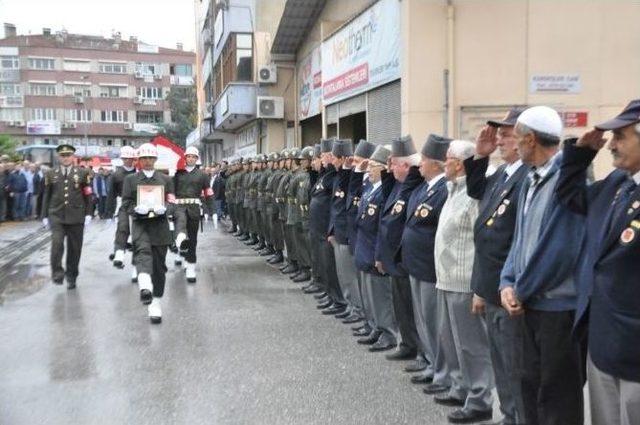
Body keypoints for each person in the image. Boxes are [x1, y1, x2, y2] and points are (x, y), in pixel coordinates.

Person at [500, 106, 585, 425]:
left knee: (557, 398)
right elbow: (519, 240)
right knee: (529, 388)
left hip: (557, 311)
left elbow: (559, 251)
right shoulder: (530, 179)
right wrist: (506, 282)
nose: (513, 144)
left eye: (517, 138)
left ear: (531, 139)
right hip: (527, 304)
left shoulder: (567, 180)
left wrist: (519, 290)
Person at [556, 100, 640, 425]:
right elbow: (569, 196)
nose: (612, 145)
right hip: (603, 341)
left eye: (620, 136)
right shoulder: (618, 186)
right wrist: (580, 156)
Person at [464, 108, 528, 425]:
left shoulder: (528, 176)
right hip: (491, 284)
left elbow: (514, 239)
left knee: (515, 363)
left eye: (506, 133)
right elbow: (476, 190)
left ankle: (519, 416)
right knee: (501, 360)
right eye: (499, 133)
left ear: (526, 138)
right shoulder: (503, 173)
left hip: (510, 286)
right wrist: (480, 155)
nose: (500, 139)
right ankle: (509, 415)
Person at [433, 139, 494, 424]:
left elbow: (482, 241)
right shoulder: (452, 190)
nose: (443, 163)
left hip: (464, 280)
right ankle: (461, 387)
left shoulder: (473, 193)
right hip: (446, 279)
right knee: (454, 341)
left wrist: (479, 287)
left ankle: (480, 399)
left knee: (472, 345)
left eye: (447, 159)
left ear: (459, 164)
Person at [400, 134, 451, 387]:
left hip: (430, 267)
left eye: (423, 160)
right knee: (422, 319)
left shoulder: (444, 189)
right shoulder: (423, 187)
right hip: (415, 264)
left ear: (437, 163)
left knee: (434, 323)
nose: (418, 165)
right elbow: (407, 192)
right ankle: (430, 363)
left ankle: (441, 373)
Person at [376, 136, 423, 362]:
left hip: (405, 258)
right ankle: (406, 343)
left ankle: (415, 346)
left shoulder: (413, 186)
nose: (390, 167)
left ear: (407, 166)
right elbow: (387, 210)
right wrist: (388, 172)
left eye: (394, 163)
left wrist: (412, 170)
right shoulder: (397, 186)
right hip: (393, 257)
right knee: (401, 306)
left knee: (411, 308)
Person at [121, 143, 175, 323]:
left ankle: (156, 302)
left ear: (155, 160)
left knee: (159, 268)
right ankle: (145, 287)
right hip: (140, 226)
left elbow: (173, 201)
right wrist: (136, 210)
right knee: (143, 255)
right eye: (144, 158)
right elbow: (126, 203)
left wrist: (165, 209)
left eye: (150, 158)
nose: (147, 162)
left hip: (160, 228)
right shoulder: (131, 180)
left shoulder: (166, 180)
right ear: (139, 160)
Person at [353, 145, 398, 351]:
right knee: (370, 295)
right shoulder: (370, 189)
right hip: (364, 249)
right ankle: (375, 326)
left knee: (381, 296)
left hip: (373, 250)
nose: (368, 169)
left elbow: (382, 227)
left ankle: (387, 332)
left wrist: (379, 254)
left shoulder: (384, 192)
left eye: (372, 166)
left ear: (383, 168)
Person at [41, 144, 94, 289]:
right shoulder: (51, 173)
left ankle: (72, 276)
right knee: (56, 244)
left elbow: (88, 195)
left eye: (68, 155)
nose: (66, 158)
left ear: (73, 157)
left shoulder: (83, 173)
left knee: (74, 248)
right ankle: (57, 273)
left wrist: (89, 213)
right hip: (56, 215)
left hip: (76, 216)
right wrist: (44, 215)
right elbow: (46, 195)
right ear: (59, 157)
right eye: (63, 156)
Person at [173, 146, 214, 283]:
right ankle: (180, 249)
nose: (190, 158)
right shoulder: (177, 173)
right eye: (188, 156)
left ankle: (190, 266)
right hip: (179, 207)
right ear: (185, 158)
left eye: (193, 156)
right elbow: (170, 191)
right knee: (180, 230)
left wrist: (211, 211)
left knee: (192, 239)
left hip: (194, 209)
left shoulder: (202, 175)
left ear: (197, 159)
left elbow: (208, 193)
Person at [107, 146, 138, 270]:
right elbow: (111, 194)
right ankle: (119, 254)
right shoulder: (116, 175)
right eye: (125, 158)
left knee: (138, 234)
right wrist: (110, 212)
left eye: (130, 158)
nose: (127, 161)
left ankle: (137, 266)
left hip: (138, 204)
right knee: (123, 228)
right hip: (123, 204)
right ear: (122, 159)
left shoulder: (138, 173)